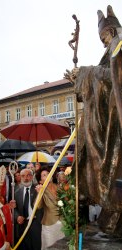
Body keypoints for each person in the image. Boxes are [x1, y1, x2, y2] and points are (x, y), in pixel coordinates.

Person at [67, 5, 122, 234]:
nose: (103, 42)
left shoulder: (119, 47)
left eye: (104, 36)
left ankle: (113, 214)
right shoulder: (110, 49)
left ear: (112, 31)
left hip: (114, 123)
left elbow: (113, 77)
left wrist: (87, 73)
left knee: (112, 167)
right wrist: (78, 81)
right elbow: (101, 81)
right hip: (106, 119)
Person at [36, 167, 65, 250]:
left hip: (62, 223)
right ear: (40, 181)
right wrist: (39, 194)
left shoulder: (59, 187)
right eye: (44, 175)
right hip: (49, 225)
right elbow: (38, 206)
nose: (47, 176)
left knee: (61, 246)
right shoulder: (41, 190)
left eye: (48, 173)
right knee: (50, 247)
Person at [14, 168, 43, 250]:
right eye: (23, 176)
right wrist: (17, 217)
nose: (26, 178)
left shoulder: (38, 190)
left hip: (36, 223)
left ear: (32, 176)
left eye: (28, 175)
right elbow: (14, 208)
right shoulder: (16, 191)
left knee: (36, 246)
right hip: (22, 225)